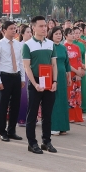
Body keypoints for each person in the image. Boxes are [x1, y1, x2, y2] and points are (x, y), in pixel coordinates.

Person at [23, 16, 58, 154]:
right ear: (34, 28)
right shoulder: (28, 45)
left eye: (45, 26)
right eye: (41, 26)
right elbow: (27, 67)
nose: (44, 28)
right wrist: (35, 84)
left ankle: (46, 141)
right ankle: (32, 143)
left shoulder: (51, 44)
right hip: (35, 82)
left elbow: (54, 64)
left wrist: (55, 81)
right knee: (32, 114)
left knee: (47, 114)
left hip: (49, 81)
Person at [0, 20, 25, 142]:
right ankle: (2, 132)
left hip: (16, 76)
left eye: (15, 28)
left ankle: (12, 131)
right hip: (4, 77)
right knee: (3, 105)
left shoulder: (18, 44)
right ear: (4, 30)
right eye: (11, 28)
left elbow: (20, 62)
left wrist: (22, 78)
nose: (14, 30)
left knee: (15, 105)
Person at [49, 26, 71, 135]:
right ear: (51, 35)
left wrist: (69, 76)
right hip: (52, 76)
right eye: (56, 34)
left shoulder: (63, 47)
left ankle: (63, 126)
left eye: (60, 34)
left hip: (62, 76)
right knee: (54, 100)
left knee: (62, 100)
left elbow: (67, 63)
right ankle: (54, 126)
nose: (58, 36)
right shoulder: (49, 47)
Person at [64, 28, 85, 123]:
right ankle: (70, 116)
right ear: (66, 36)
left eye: (73, 33)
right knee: (70, 94)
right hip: (69, 73)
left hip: (77, 73)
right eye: (70, 34)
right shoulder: (64, 47)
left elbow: (79, 60)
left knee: (77, 94)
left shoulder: (77, 47)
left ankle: (77, 116)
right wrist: (76, 71)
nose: (73, 35)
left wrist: (79, 73)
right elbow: (66, 62)